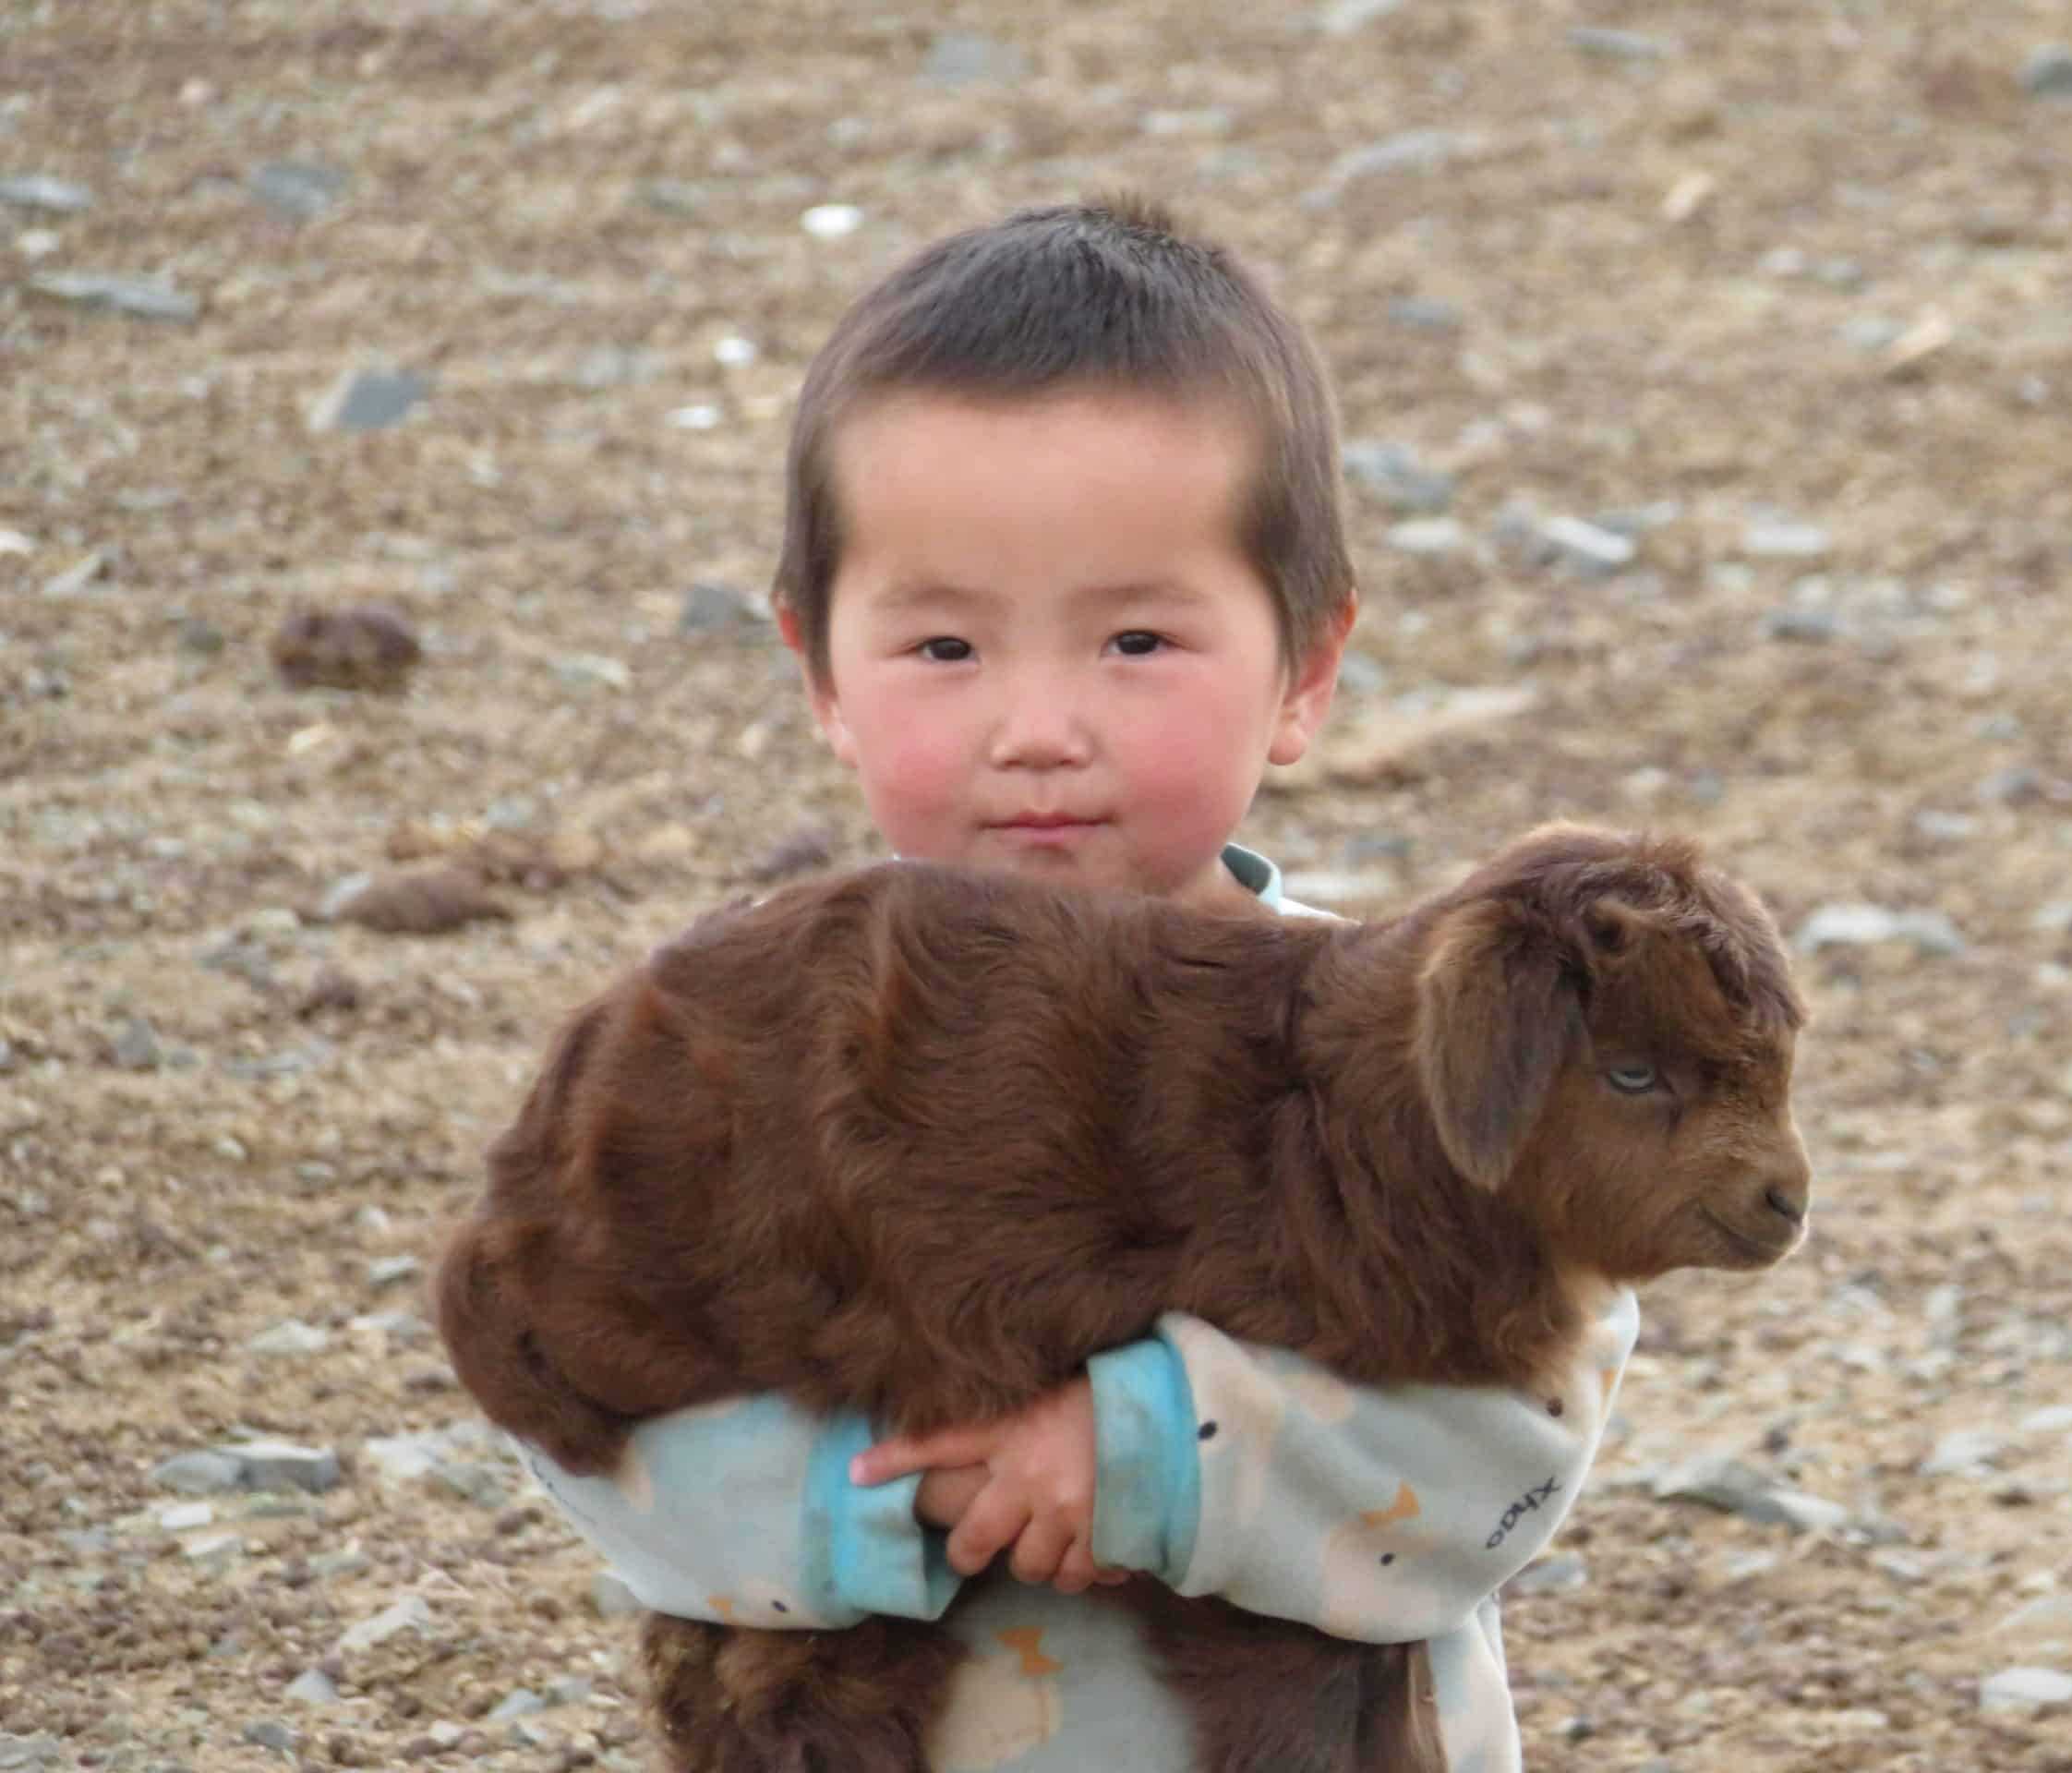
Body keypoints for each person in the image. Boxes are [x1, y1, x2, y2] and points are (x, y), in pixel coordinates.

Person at [515, 196, 1640, 1772]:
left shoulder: (1406, 1054)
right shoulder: (740, 1050)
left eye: (1133, 640)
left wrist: (1159, 1456)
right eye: (945, 651)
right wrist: (872, 1494)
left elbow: (1516, 1419)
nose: (1038, 728)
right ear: (822, 674)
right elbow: (568, 1349)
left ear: (1307, 669)